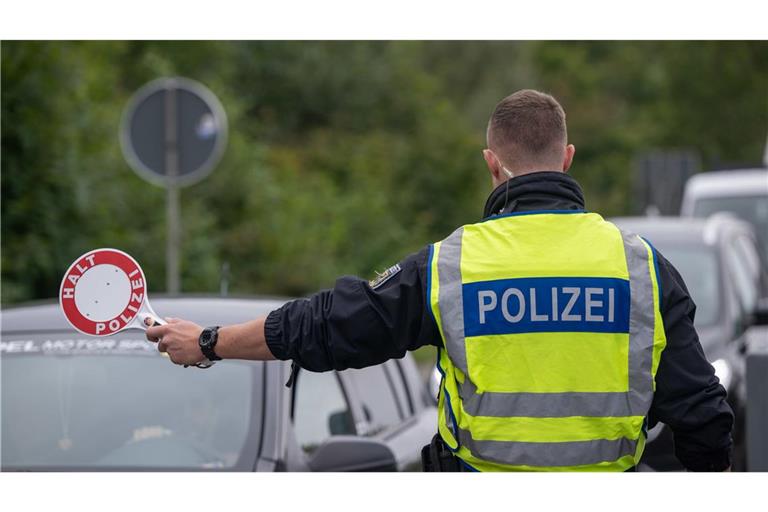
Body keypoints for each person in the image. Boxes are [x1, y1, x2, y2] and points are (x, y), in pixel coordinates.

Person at [146, 89, 733, 472]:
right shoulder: (641, 267)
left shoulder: (452, 265)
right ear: (568, 157)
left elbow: (328, 326)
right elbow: (704, 416)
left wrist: (207, 342)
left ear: (492, 162)